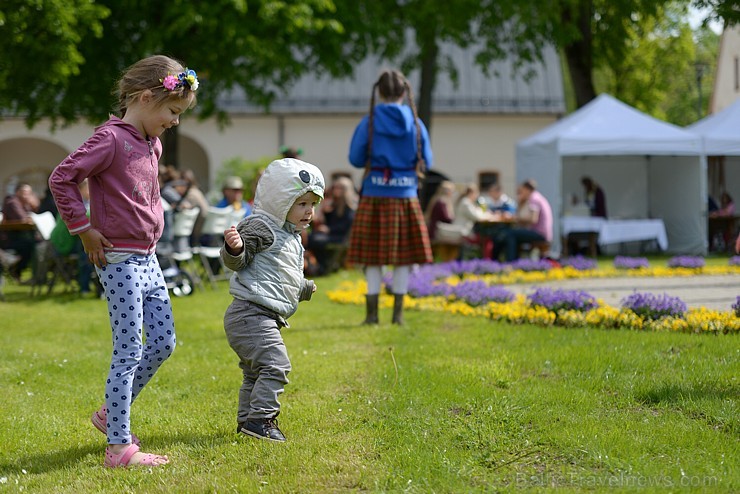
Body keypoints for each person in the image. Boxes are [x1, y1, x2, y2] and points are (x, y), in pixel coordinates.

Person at [48, 55, 198, 468]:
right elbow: (62, 177)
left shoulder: (154, 142)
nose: (175, 121)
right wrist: (82, 228)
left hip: (149, 258)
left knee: (163, 343)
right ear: (145, 97)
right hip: (119, 260)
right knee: (130, 348)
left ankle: (108, 414)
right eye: (172, 111)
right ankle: (118, 449)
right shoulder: (109, 140)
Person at [221, 157, 324, 442]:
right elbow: (239, 263)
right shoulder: (260, 227)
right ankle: (261, 419)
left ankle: (246, 422)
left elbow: (276, 275)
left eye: (313, 204)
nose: (309, 212)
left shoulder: (289, 236)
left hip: (258, 314)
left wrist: (303, 288)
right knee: (276, 365)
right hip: (250, 314)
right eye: (301, 204)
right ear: (280, 202)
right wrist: (236, 249)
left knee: (255, 373)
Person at [346, 69, 433, 325]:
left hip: (374, 194)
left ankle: (371, 316)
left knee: (372, 257)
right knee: (403, 258)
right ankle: (398, 315)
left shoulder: (369, 121)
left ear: (379, 92)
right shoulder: (416, 124)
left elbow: (355, 158)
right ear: (404, 92)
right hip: (406, 196)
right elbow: (427, 160)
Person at [307, 175, 357, 274]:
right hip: (330, 234)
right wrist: (323, 212)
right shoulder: (333, 204)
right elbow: (324, 222)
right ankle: (314, 265)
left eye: (340, 188)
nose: (336, 190)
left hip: (340, 236)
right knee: (310, 237)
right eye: (336, 187)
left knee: (317, 240)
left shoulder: (349, 207)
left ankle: (323, 266)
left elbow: (345, 226)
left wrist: (329, 229)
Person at [495, 179, 553, 262]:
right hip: (541, 233)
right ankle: (513, 262)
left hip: (540, 234)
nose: (520, 193)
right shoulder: (537, 197)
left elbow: (533, 219)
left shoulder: (534, 198)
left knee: (509, 234)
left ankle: (510, 262)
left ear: (526, 189)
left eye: (521, 190)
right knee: (512, 234)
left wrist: (515, 218)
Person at [0, 183, 41, 281]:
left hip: (20, 237)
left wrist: (35, 206)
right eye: (24, 192)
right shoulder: (12, 202)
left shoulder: (24, 204)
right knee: (32, 245)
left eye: (29, 193)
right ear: (17, 192)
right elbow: (22, 219)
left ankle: (24, 273)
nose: (27, 195)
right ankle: (15, 270)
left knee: (36, 243)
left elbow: (33, 217)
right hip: (8, 240)